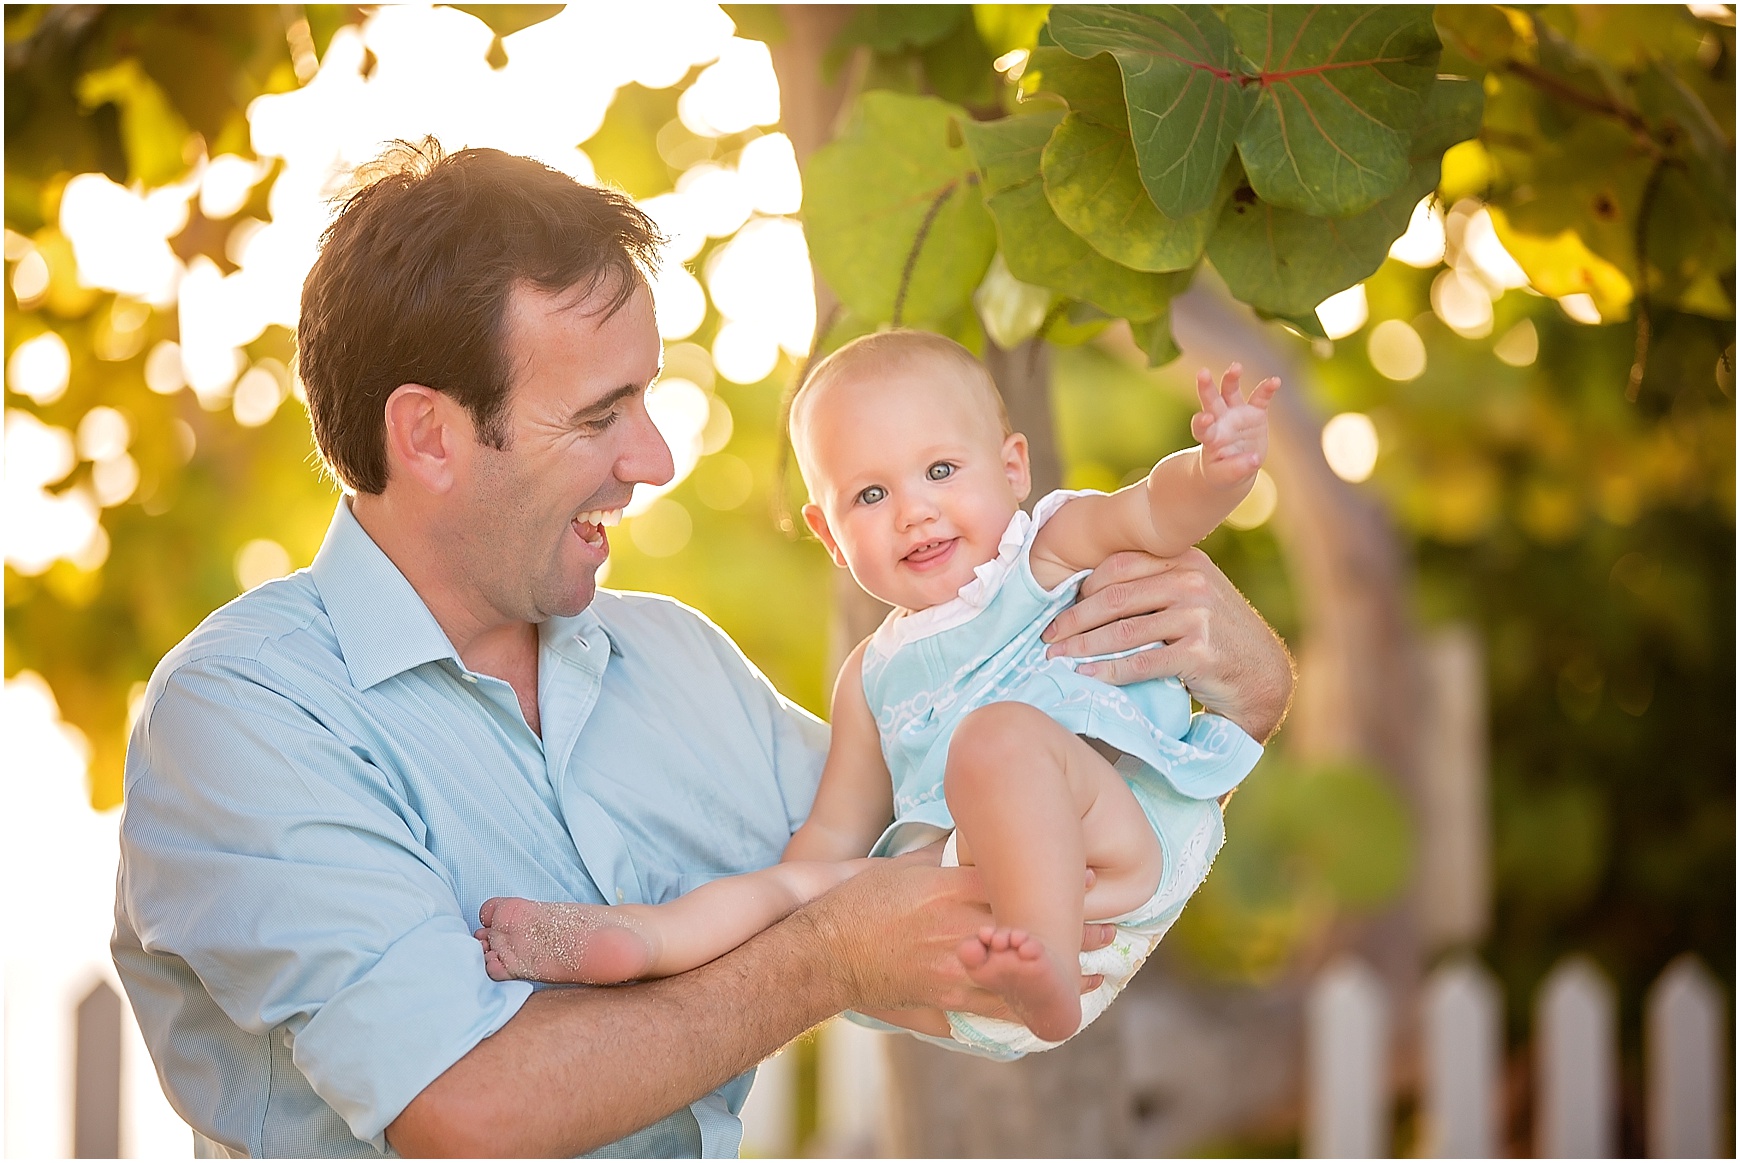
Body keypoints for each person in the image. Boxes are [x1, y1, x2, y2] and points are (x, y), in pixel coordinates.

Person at [112, 141, 1295, 1158]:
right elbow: (461, 1113)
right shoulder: (242, 714)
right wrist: (825, 957)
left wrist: (1232, 708)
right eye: (598, 415)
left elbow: (974, 917)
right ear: (428, 433)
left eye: (647, 398)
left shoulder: (678, 666)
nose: (655, 459)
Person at [477, 332, 1277, 1060]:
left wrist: (1215, 470)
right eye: (870, 496)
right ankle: (636, 939)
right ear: (828, 534)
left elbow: (1154, 511)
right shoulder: (871, 672)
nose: (913, 511)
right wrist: (793, 898)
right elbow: (833, 830)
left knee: (998, 739)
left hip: (1108, 849)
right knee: (789, 888)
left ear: (1013, 469)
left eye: (939, 471)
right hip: (957, 915)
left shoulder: (1044, 553)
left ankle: (1045, 967)